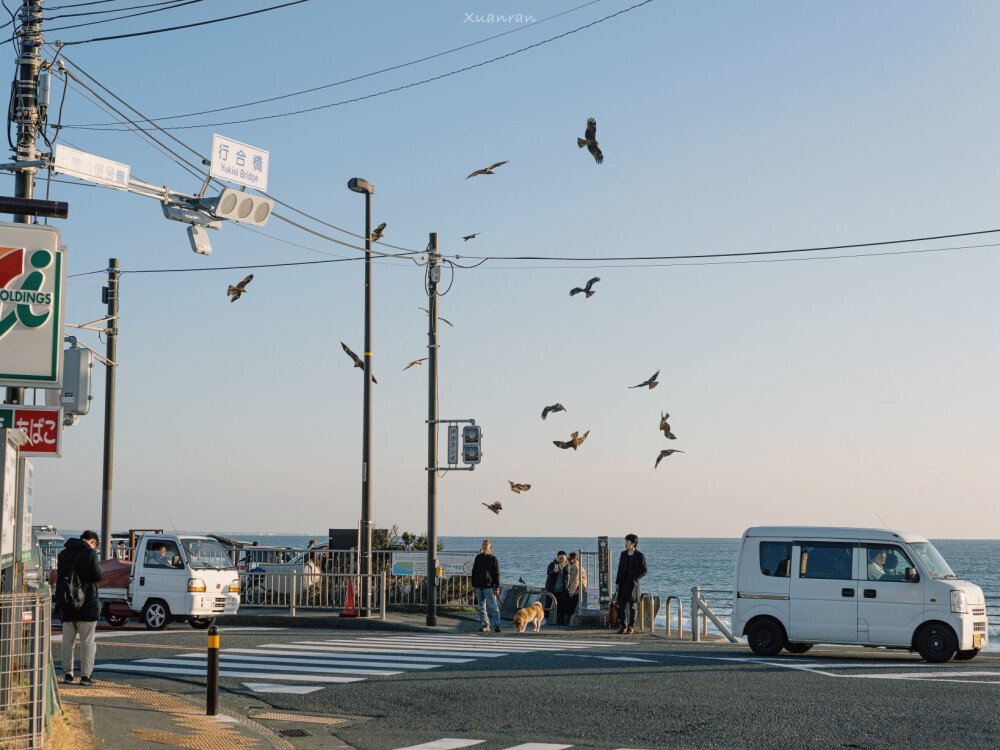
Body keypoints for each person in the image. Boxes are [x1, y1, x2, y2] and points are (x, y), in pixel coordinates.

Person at [56, 530, 104, 685]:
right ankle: (85, 676)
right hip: (87, 603)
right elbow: (97, 576)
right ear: (91, 542)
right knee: (87, 641)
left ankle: (68, 674)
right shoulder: (89, 553)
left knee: (68, 640)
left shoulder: (63, 554)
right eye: (94, 545)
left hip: (67, 604)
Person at [614, 534, 647, 635]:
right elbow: (619, 569)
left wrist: (635, 578)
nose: (625, 544)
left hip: (633, 584)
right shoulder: (623, 554)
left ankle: (631, 627)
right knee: (622, 605)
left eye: (627, 542)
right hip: (623, 582)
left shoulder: (640, 555)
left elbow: (644, 570)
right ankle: (623, 626)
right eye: (625, 542)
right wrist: (617, 582)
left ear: (633, 544)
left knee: (633, 606)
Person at [471, 539, 502, 633]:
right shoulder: (478, 557)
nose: (484, 545)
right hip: (479, 586)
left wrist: (497, 587)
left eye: (486, 544)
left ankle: (497, 625)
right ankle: (485, 625)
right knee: (481, 607)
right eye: (483, 544)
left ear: (490, 546)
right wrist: (473, 585)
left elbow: (497, 573)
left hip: (489, 586)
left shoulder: (493, 559)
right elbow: (474, 571)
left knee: (493, 607)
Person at [546, 551, 569, 624]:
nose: (561, 560)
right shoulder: (552, 565)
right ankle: (544, 619)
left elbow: (568, 578)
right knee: (547, 605)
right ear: (557, 558)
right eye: (560, 558)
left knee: (561, 607)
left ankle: (560, 621)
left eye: (563, 558)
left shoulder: (567, 567)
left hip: (561, 590)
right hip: (551, 589)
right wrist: (554, 571)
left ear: (566, 559)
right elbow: (549, 574)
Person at [565, 552, 586, 625]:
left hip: (576, 590)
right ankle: (567, 622)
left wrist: (571, 592)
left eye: (569, 559)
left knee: (570, 607)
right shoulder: (579, 565)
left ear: (573, 559)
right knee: (571, 607)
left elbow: (575, 580)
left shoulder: (575, 567)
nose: (568, 560)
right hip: (579, 589)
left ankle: (567, 623)